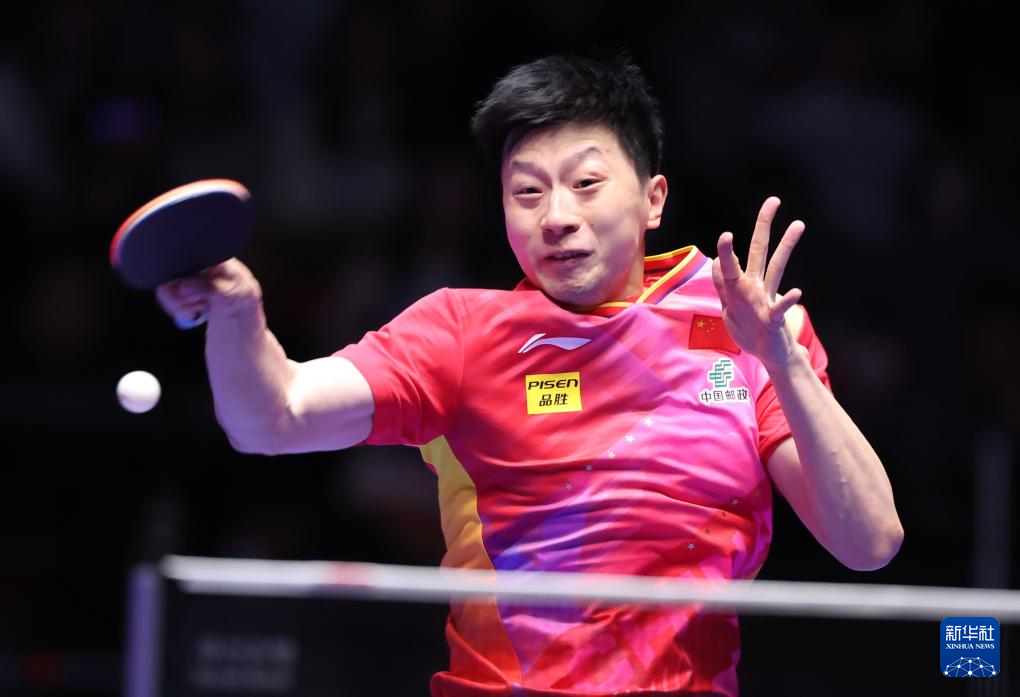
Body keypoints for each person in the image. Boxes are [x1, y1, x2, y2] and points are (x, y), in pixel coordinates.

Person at [156, 53, 903, 697]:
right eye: (527, 192)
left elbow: (869, 541)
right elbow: (272, 417)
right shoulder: (461, 333)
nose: (556, 217)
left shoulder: (750, 324)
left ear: (653, 199)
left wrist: (782, 361)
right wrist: (237, 313)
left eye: (585, 183)